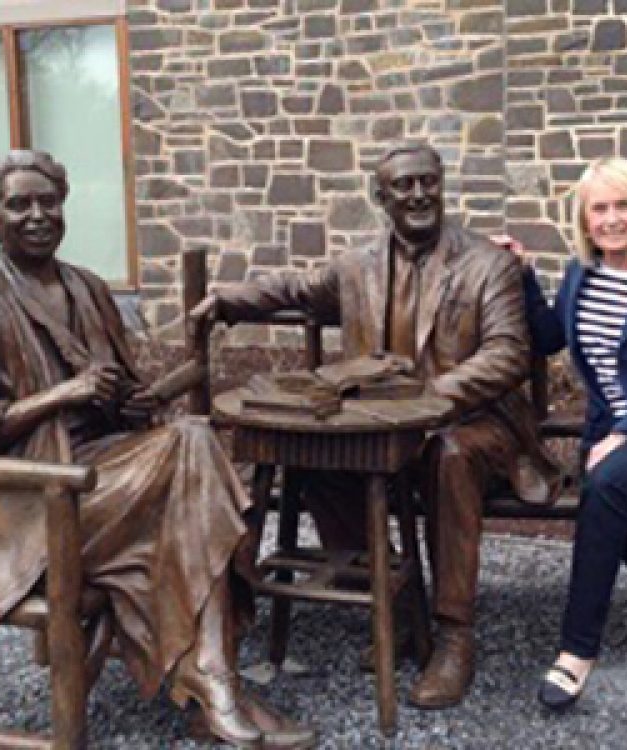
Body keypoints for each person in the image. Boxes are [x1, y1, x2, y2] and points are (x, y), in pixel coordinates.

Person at [0, 149, 315, 749]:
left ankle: (213, 678)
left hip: (109, 475)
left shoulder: (90, 290)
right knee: (195, 465)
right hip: (31, 501)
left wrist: (137, 399)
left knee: (192, 449)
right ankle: (214, 682)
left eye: (48, 201)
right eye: (18, 205)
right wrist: (59, 395)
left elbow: (120, 398)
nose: (37, 215)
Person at [192, 142, 560, 709]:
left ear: (442, 186)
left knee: (450, 456)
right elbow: (298, 290)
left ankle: (454, 635)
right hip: (382, 431)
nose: (417, 194)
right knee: (315, 460)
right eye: (403, 185)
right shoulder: (356, 266)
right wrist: (228, 299)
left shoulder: (489, 263)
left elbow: (509, 354)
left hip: (476, 425)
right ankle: (399, 606)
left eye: (427, 182)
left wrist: (428, 397)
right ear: (380, 196)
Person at [495, 155, 627, 710]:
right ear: (585, 220)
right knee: (620, 503)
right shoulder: (579, 277)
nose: (611, 218)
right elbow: (546, 337)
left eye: (623, 205)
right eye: (600, 208)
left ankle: (576, 651)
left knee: (605, 486)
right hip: (612, 442)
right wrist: (521, 277)